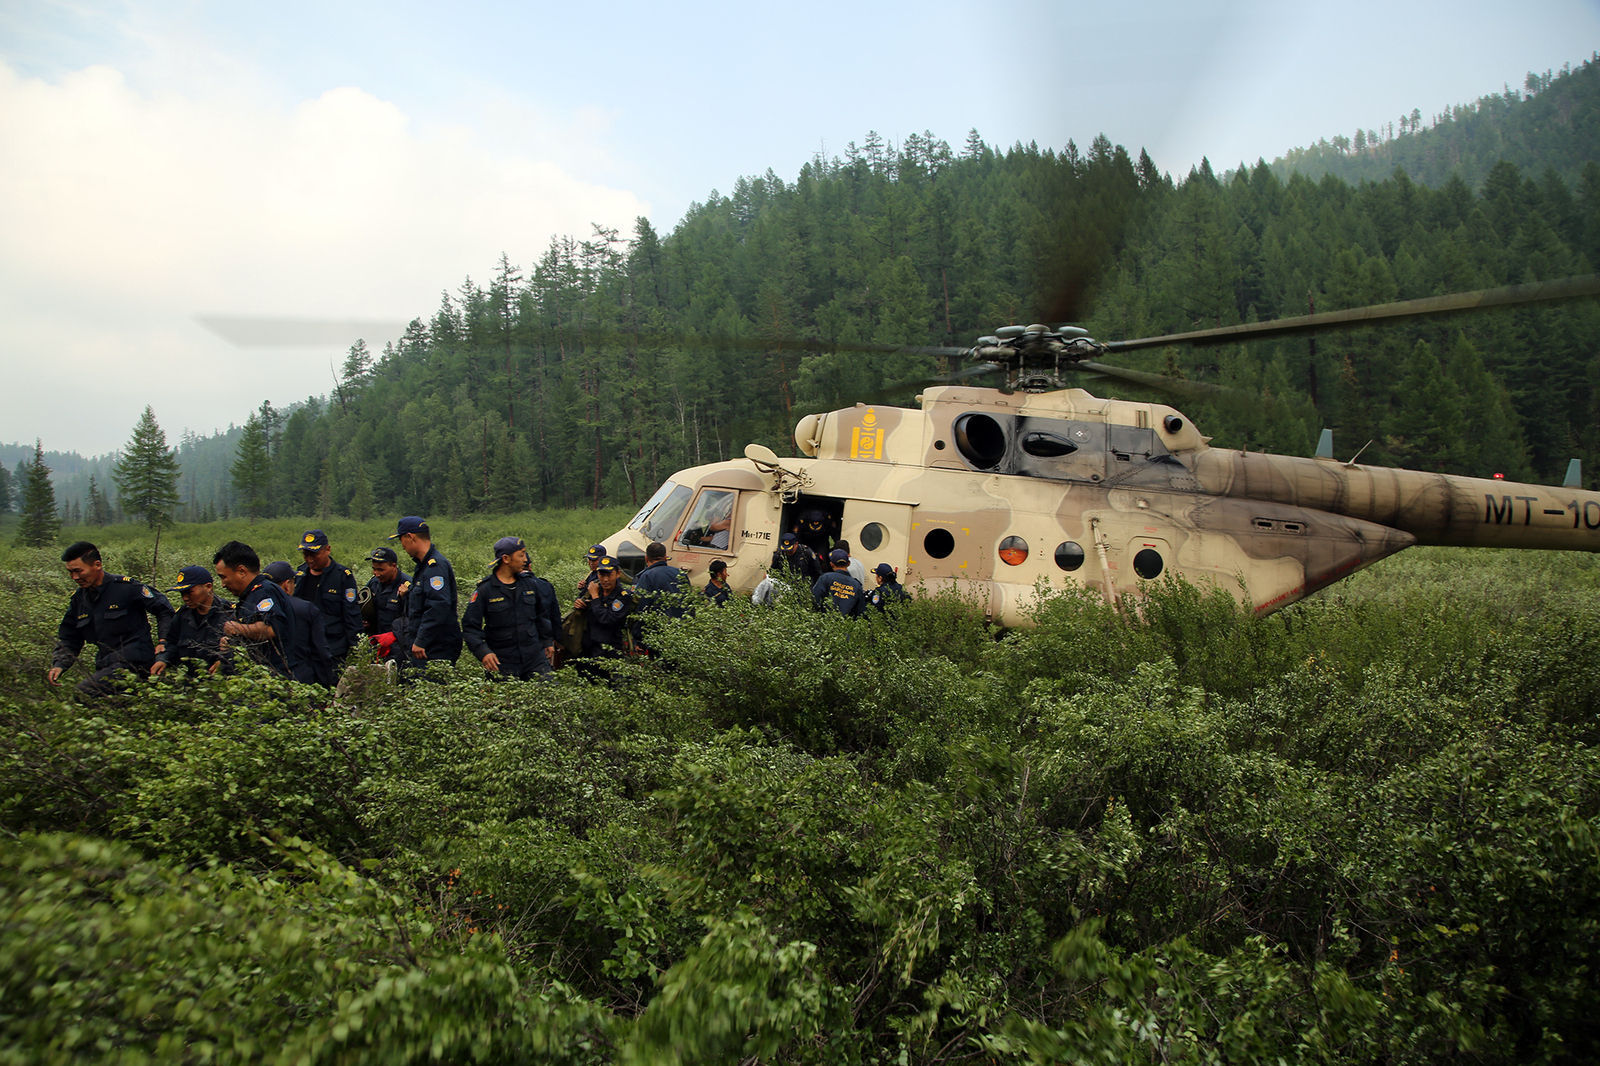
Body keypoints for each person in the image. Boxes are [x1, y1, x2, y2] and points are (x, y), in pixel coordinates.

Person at [48, 540, 175, 695]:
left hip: (135, 662)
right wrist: (60, 664)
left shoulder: (126, 588)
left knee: (84, 692)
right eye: (70, 572)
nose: (74, 577)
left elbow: (164, 611)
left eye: (78, 571)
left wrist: (163, 642)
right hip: (106, 664)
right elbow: (70, 636)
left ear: (97, 565)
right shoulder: (79, 600)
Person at [461, 536, 555, 679]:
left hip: (534, 658)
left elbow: (541, 616)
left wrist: (547, 641)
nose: (525, 559)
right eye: (521, 555)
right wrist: (483, 652)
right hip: (502, 662)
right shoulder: (485, 590)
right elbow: (470, 627)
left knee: (549, 689)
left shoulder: (529, 585)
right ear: (506, 559)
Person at [213, 540, 298, 679]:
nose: (222, 584)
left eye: (224, 577)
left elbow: (270, 629)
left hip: (275, 678)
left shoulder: (264, 592)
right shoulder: (249, 596)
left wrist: (237, 628)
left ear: (241, 571)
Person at [389, 515, 462, 667]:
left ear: (410, 537)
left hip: (435, 645)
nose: (402, 546)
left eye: (401, 539)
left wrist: (421, 640)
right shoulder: (422, 566)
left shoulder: (435, 567)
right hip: (426, 644)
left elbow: (438, 606)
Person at [293, 530, 362, 666]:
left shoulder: (342, 576)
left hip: (333, 646)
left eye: (314, 554)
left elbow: (351, 614)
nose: (310, 559)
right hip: (305, 646)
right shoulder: (300, 574)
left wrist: (357, 648)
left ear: (327, 549)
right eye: (306, 554)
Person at [151, 565, 233, 677]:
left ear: (208, 587)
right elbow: (171, 643)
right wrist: (163, 659)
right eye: (182, 593)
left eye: (189, 592)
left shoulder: (229, 614)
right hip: (188, 681)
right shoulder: (182, 615)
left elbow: (239, 649)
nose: (185, 598)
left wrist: (224, 662)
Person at [265, 561, 335, 686]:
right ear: (287, 585)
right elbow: (320, 651)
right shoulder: (306, 608)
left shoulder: (254, 607)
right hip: (301, 678)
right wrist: (327, 683)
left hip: (266, 679)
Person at [579, 555, 640, 668]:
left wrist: (595, 597)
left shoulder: (623, 596)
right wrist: (580, 604)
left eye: (609, 575)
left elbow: (607, 619)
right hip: (589, 646)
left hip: (609, 650)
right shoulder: (594, 590)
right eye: (602, 575)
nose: (605, 579)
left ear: (618, 574)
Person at [361, 546, 409, 660]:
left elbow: (413, 619)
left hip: (397, 645)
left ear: (394, 566)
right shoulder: (373, 583)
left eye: (381, 570)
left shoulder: (407, 586)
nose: (376, 573)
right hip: (375, 641)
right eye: (374, 569)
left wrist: (406, 597)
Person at [633, 541, 687, 619]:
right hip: (681, 623)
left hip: (656, 623)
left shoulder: (646, 576)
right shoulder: (680, 573)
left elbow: (641, 604)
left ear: (646, 558)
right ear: (665, 557)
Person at [812, 548, 865, 617]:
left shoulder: (825, 578)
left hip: (825, 620)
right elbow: (860, 612)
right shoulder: (856, 585)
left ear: (831, 564)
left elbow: (815, 599)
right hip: (846, 622)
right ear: (849, 563)